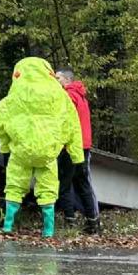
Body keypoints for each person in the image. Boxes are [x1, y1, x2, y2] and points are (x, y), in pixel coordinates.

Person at [0, 57, 83, 238]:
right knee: (48, 188)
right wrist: (76, 154)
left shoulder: (14, 96)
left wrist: (4, 145)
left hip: (21, 150)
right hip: (48, 151)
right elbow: (73, 125)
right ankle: (48, 230)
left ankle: (8, 225)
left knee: (15, 185)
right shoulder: (60, 96)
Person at [54, 67, 100, 234]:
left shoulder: (67, 96)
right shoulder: (81, 96)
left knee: (64, 185)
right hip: (84, 145)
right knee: (83, 184)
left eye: (58, 78)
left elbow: (62, 122)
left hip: (70, 146)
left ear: (67, 80)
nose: (55, 81)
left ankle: (70, 222)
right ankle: (93, 222)